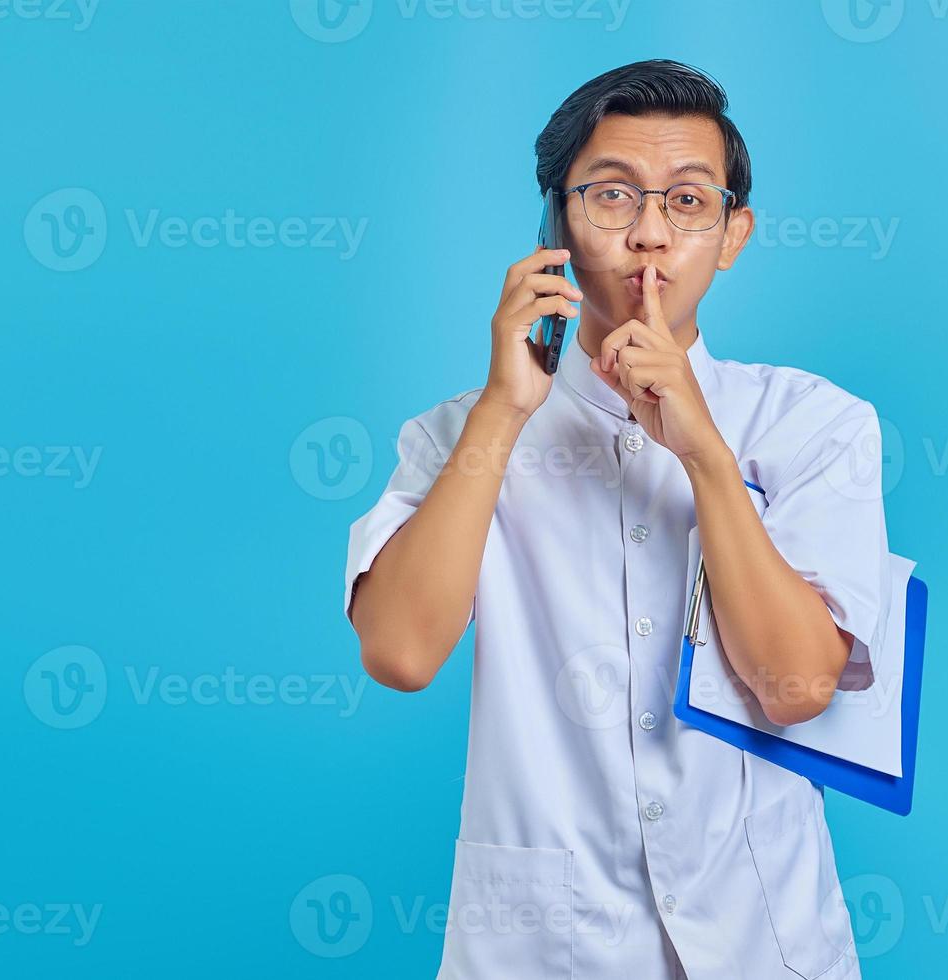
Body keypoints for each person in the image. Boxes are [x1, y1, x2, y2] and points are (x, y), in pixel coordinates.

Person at [345, 59, 892, 980]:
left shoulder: (813, 425)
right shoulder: (458, 436)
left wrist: (708, 457)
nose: (648, 237)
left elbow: (796, 687)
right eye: (610, 197)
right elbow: (399, 654)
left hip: (763, 943)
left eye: (686, 203)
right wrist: (503, 411)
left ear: (731, 235)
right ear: (556, 223)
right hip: (543, 951)